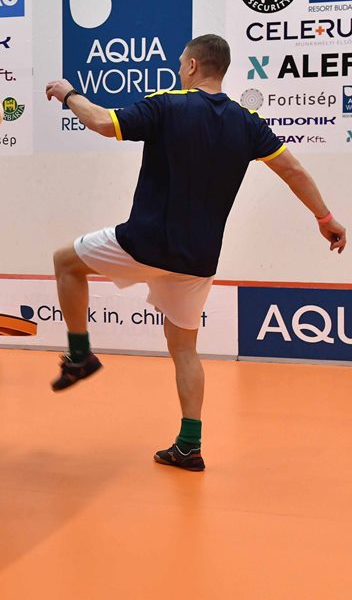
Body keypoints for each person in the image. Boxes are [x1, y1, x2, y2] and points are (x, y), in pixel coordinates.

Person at [45, 33, 346, 471]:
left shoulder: (168, 104)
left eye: (180, 62)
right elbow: (292, 169)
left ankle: (79, 355)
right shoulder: (247, 121)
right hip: (199, 259)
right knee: (184, 347)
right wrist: (324, 217)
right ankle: (189, 444)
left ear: (191, 66)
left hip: (145, 242)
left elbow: (103, 122)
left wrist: (68, 93)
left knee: (65, 263)